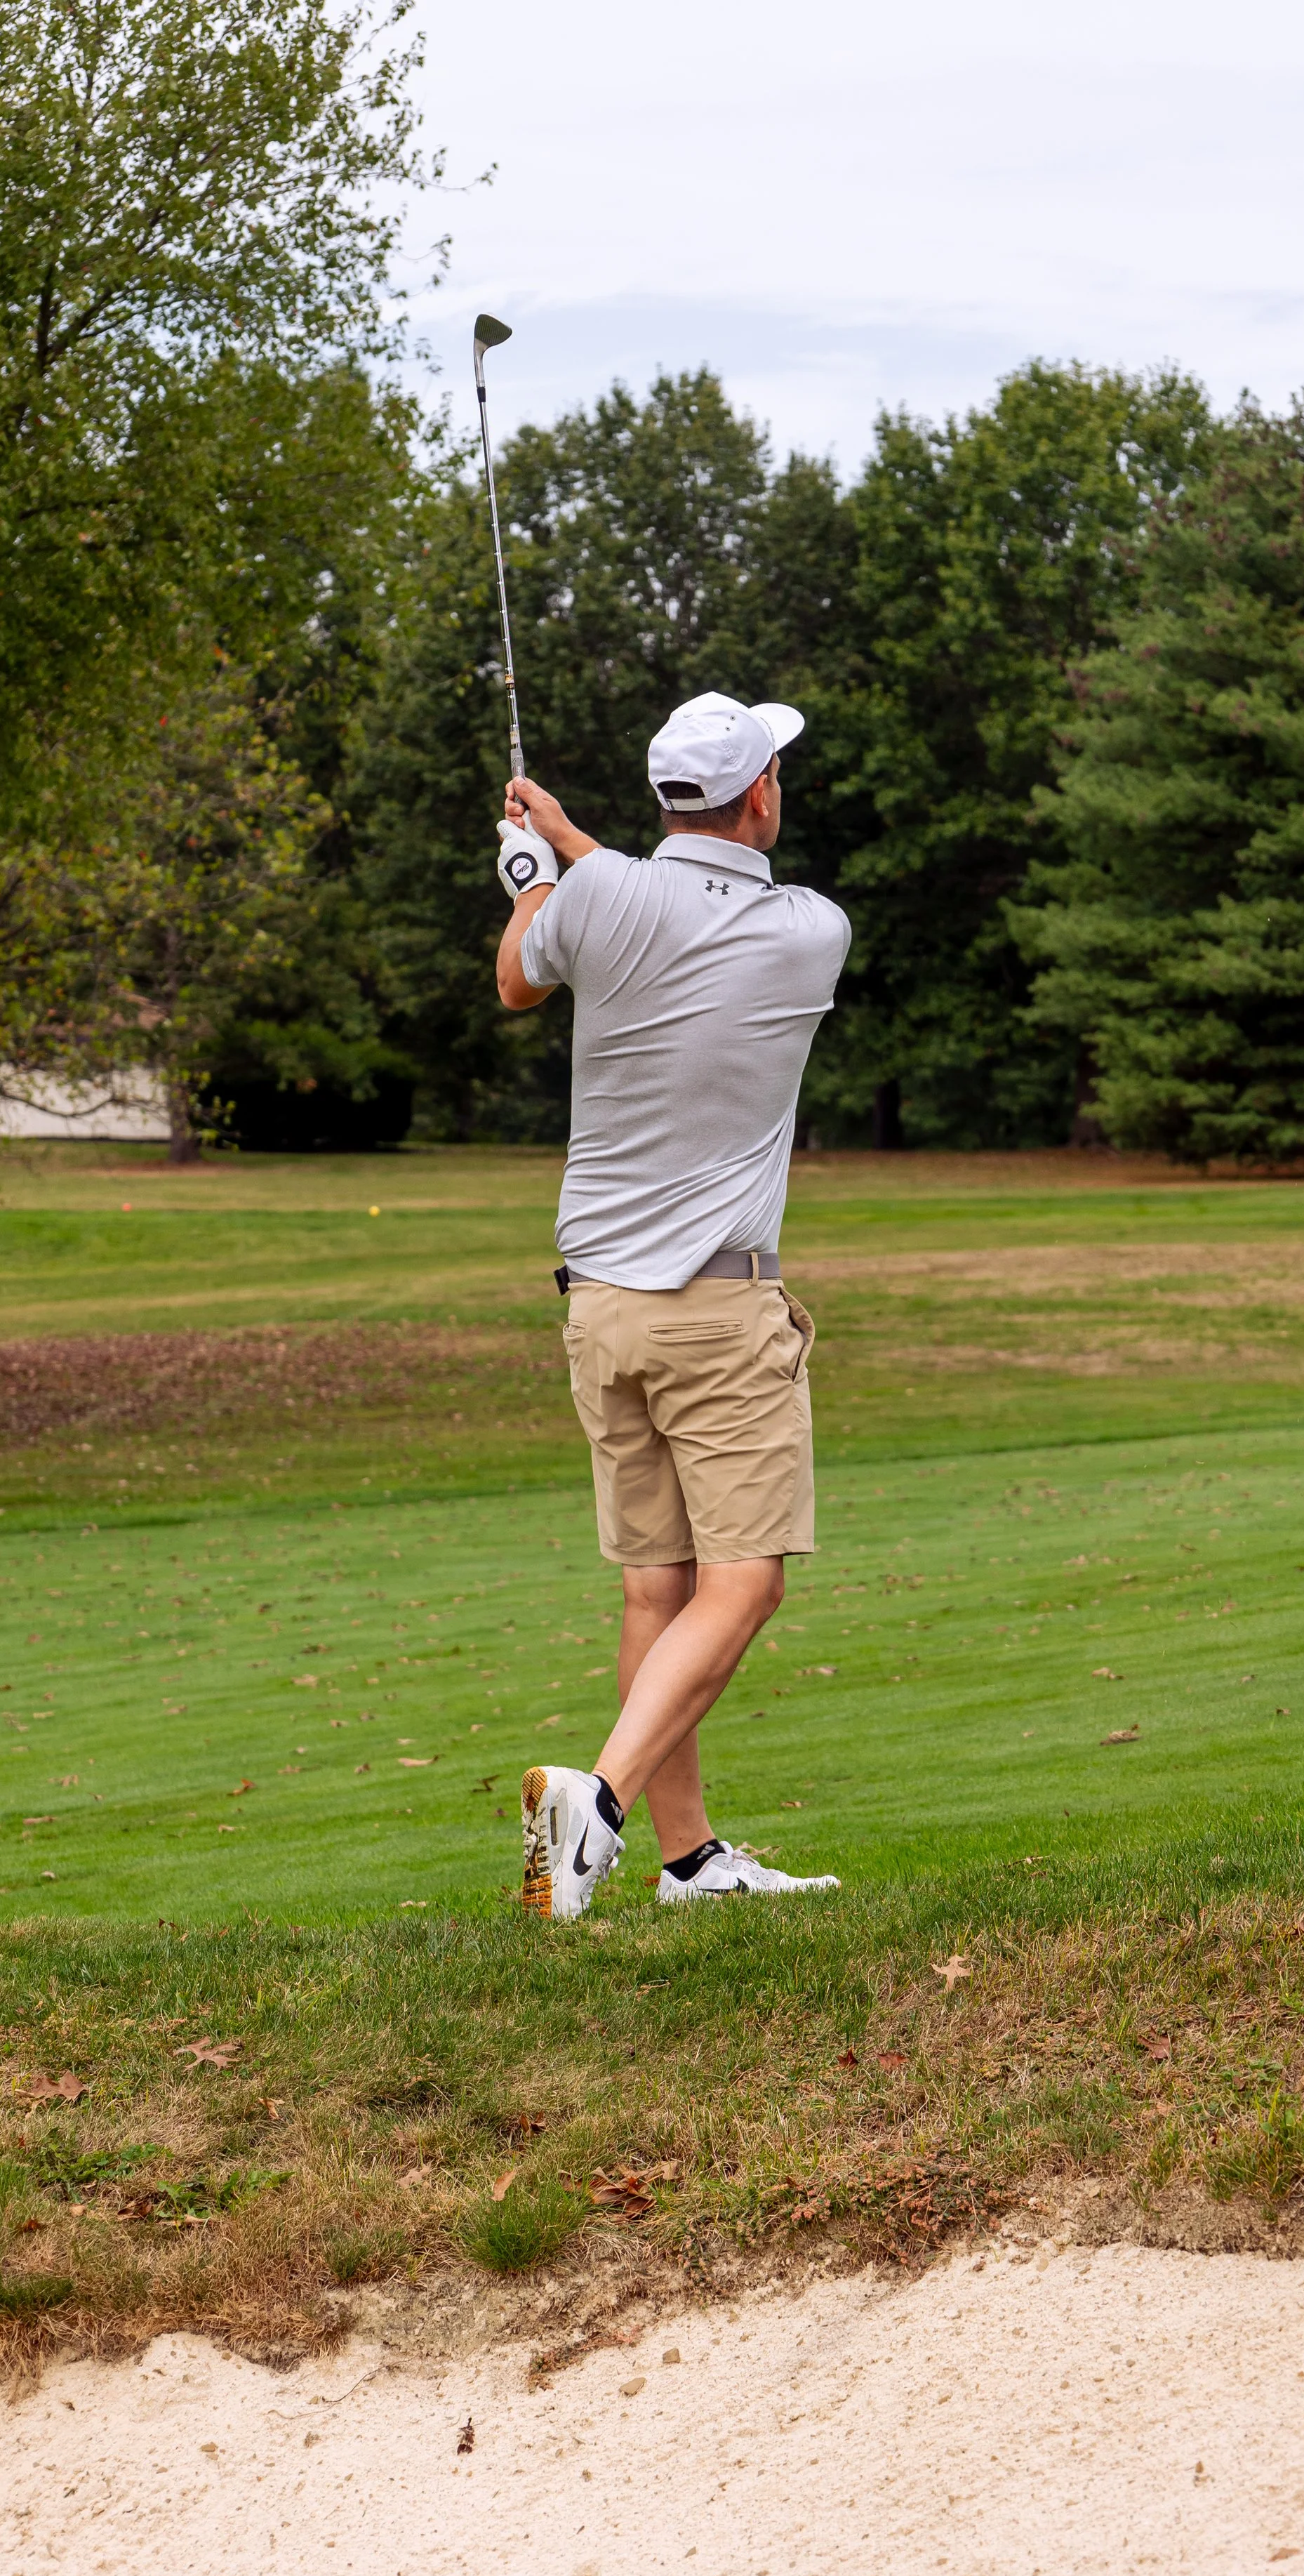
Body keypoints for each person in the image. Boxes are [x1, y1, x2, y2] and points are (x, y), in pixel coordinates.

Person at [493, 689, 852, 1920]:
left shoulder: (595, 903)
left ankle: (689, 1860)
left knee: (661, 1590)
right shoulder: (810, 927)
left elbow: (518, 979)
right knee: (744, 1585)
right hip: (717, 1315)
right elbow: (682, 906)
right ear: (758, 797)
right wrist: (574, 857)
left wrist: (538, 869)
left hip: (600, 1317)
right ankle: (592, 1805)